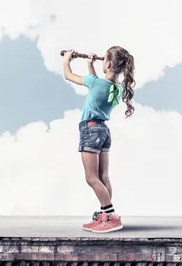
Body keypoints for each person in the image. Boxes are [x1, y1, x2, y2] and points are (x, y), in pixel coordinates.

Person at [62, 46, 136, 233]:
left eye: (104, 61)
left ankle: (111, 217)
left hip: (90, 130)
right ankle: (105, 215)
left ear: (108, 63)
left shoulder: (95, 83)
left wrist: (67, 60)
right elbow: (96, 84)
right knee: (103, 177)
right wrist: (90, 63)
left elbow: (69, 75)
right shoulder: (118, 89)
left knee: (91, 178)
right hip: (103, 131)